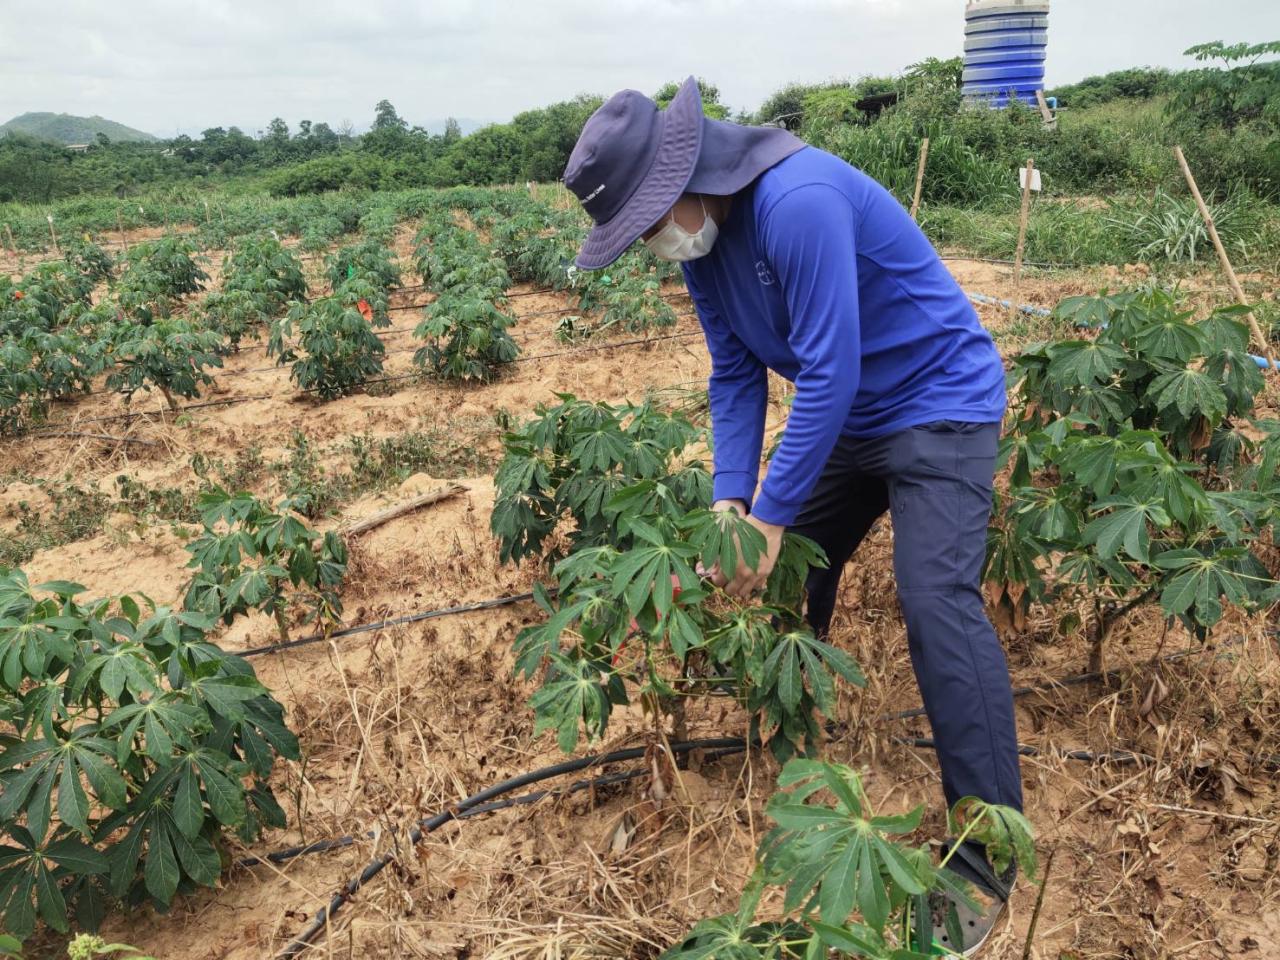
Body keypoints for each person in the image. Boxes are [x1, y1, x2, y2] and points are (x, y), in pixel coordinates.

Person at [562, 77, 1024, 954]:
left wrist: (772, 518)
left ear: (680, 182)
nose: (656, 245)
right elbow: (735, 373)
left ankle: (986, 857)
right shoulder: (706, 248)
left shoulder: (796, 201)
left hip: (938, 403)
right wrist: (732, 503)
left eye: (648, 225)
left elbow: (829, 371)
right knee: (788, 573)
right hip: (850, 419)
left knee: (934, 604)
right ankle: (796, 731)